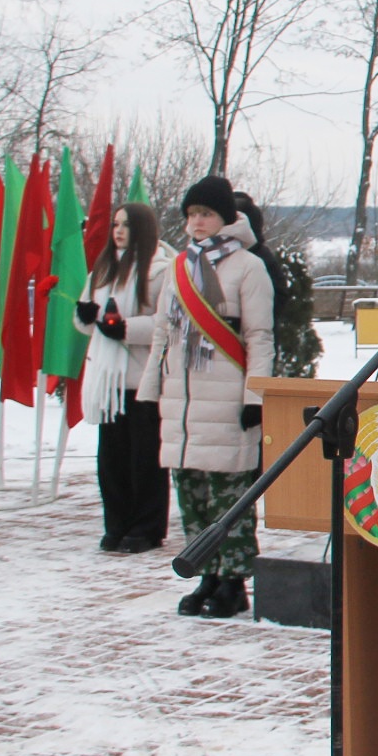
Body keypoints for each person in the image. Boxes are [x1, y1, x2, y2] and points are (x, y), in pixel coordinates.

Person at [138, 175, 276, 618]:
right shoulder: (180, 266)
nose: (197, 222)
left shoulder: (247, 266)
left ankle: (233, 580)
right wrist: (151, 386)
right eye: (192, 214)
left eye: (206, 214)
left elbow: (259, 336)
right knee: (192, 492)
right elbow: (163, 331)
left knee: (228, 495)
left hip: (227, 396)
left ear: (225, 218)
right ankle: (206, 574)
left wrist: (255, 396)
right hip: (184, 400)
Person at [74, 201, 171, 553]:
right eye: (115, 224)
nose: (118, 231)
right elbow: (88, 323)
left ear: (142, 229)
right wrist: (85, 316)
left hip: (141, 379)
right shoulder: (102, 271)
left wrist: (125, 328)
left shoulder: (160, 271)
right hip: (107, 380)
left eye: (126, 225)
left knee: (144, 458)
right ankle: (116, 524)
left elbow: (166, 323)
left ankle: (146, 527)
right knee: (110, 459)